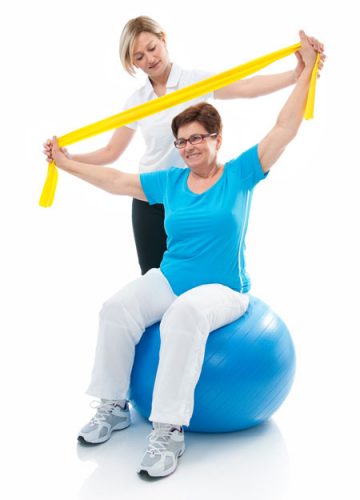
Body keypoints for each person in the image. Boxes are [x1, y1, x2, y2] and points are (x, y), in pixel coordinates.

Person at [49, 31, 322, 478]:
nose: (190, 146)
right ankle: (113, 405)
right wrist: (66, 163)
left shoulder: (240, 174)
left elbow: (285, 128)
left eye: (198, 138)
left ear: (216, 139)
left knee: (183, 316)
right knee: (115, 308)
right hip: (173, 277)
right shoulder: (171, 184)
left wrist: (306, 73)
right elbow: (117, 181)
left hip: (224, 288)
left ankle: (168, 431)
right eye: (182, 141)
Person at [43, 16, 325, 276]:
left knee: (197, 274)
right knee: (154, 277)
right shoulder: (137, 102)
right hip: (151, 198)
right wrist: (68, 157)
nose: (149, 59)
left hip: (194, 195)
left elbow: (246, 87)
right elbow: (110, 152)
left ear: (163, 40)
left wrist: (297, 75)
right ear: (134, 64)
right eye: (139, 57)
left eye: (152, 48)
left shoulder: (194, 81)